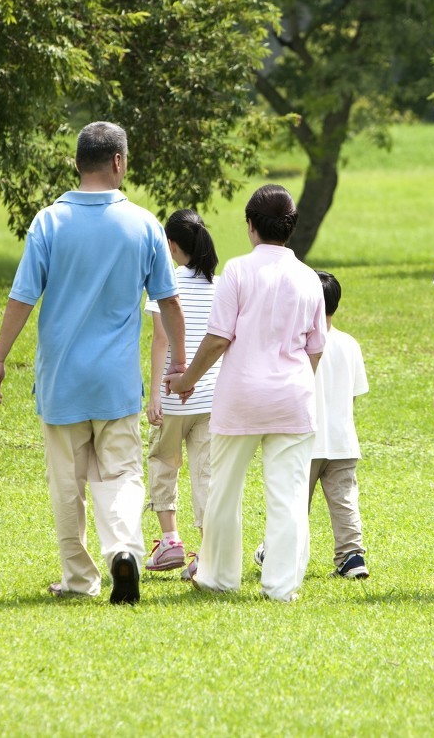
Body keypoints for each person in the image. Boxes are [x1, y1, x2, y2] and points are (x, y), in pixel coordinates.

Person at [0, 121, 186, 605]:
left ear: (78, 163)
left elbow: (22, 297)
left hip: (62, 382)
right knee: (121, 475)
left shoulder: (49, 222)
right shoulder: (144, 224)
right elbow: (170, 302)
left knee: (66, 485)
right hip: (116, 383)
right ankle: (125, 552)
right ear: (118, 162)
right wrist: (178, 363)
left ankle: (79, 579)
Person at [165, 184, 326, 602]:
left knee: (223, 491)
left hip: (240, 397)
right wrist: (295, 382)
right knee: (288, 496)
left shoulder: (237, 271)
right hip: (292, 398)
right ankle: (281, 585)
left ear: (251, 226)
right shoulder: (309, 277)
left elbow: (218, 339)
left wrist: (186, 380)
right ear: (290, 228)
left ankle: (219, 576)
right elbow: (316, 347)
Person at [257, 270, 370, 579]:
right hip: (342, 441)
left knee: (292, 501)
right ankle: (352, 557)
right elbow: (353, 397)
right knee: (344, 501)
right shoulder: (349, 344)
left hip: (304, 440)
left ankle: (277, 552)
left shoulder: (296, 346)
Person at [143, 210, 220, 574]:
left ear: (171, 245)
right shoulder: (220, 287)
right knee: (206, 473)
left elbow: (161, 340)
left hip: (174, 395)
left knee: (163, 462)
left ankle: (170, 541)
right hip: (211, 398)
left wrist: (156, 393)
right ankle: (206, 553)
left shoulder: (165, 283)